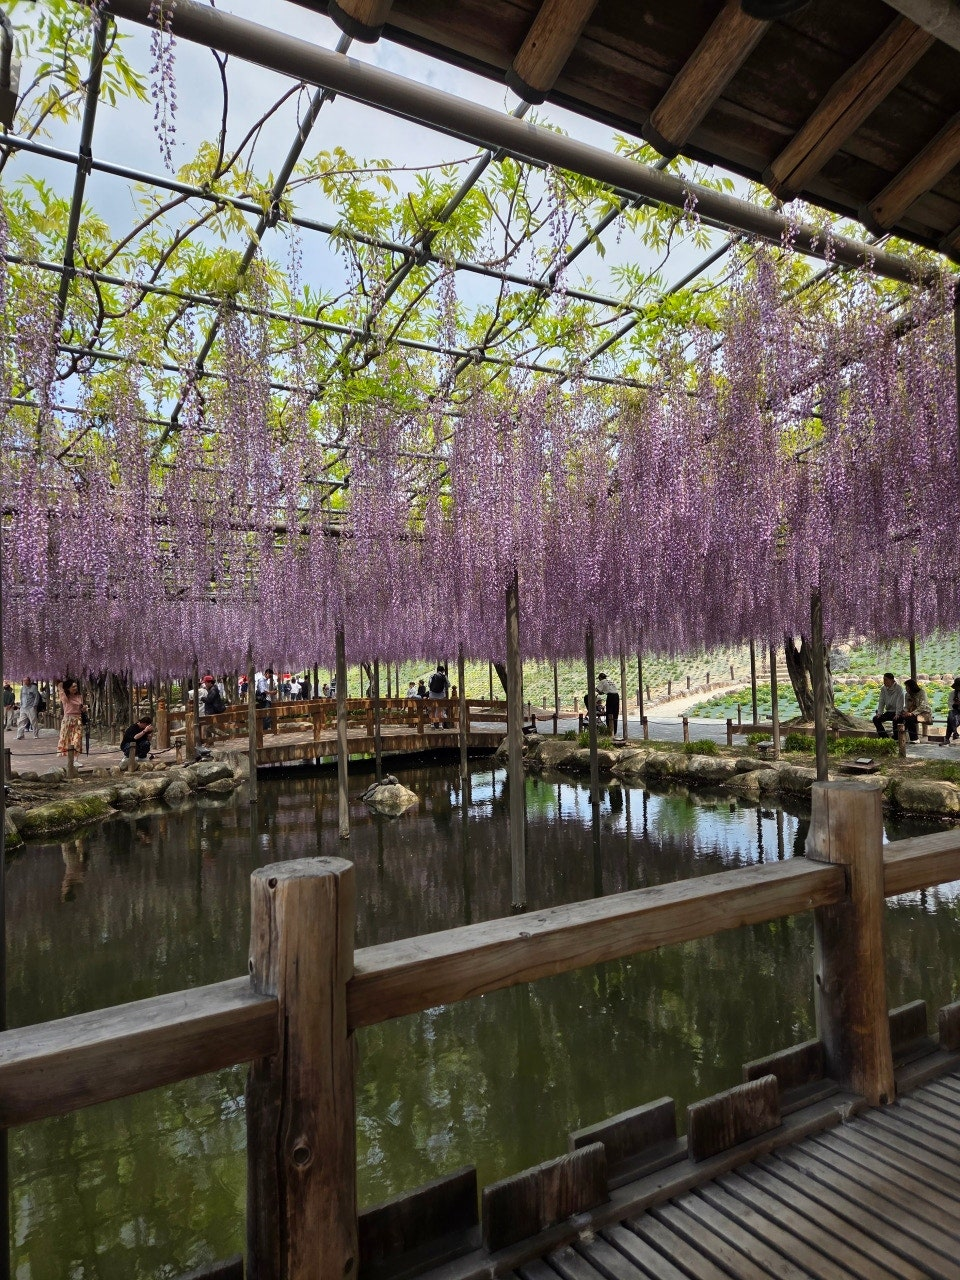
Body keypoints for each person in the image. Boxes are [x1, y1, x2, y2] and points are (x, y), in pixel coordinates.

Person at [896, 678, 931, 744]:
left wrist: (912, 713)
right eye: (905, 687)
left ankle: (915, 738)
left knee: (909, 718)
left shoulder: (921, 692)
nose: (906, 688)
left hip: (923, 713)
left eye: (907, 687)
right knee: (899, 717)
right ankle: (898, 737)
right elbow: (906, 706)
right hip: (911, 711)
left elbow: (923, 706)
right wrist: (904, 712)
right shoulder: (907, 695)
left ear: (912, 687)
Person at [57, 678, 85, 760]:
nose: (75, 688)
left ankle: (76, 759)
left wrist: (84, 708)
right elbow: (64, 698)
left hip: (78, 719)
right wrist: (60, 687)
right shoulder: (65, 697)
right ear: (68, 688)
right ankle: (70, 759)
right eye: (73, 687)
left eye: (76, 686)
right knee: (67, 739)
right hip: (68, 719)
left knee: (77, 739)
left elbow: (80, 708)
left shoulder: (79, 696)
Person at [872, 672, 904, 737]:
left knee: (896, 719)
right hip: (889, 712)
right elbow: (881, 701)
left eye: (886, 679)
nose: (884, 681)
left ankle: (896, 737)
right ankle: (884, 737)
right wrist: (879, 713)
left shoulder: (899, 688)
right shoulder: (883, 688)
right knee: (876, 719)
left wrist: (897, 713)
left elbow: (900, 702)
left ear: (892, 680)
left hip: (897, 712)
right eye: (884, 679)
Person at [597, 672, 620, 736]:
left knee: (609, 713)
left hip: (611, 697)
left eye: (599, 678)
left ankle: (609, 730)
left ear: (600, 678)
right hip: (616, 696)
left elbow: (598, 691)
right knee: (615, 714)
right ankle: (614, 731)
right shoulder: (610, 680)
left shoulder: (602, 681)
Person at [943, 678, 960, 746]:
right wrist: (955, 704)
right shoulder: (952, 693)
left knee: (950, 719)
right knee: (951, 714)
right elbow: (950, 705)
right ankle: (955, 732)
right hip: (955, 711)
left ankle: (947, 738)